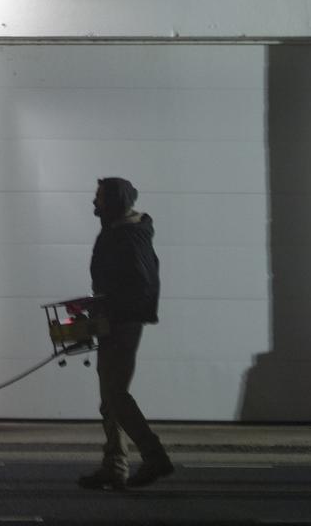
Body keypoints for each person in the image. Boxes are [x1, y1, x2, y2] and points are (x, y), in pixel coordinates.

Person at [78, 177, 174, 492]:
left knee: (116, 395)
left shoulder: (129, 237)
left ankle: (153, 454)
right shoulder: (120, 232)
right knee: (110, 397)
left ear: (115, 202)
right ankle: (115, 465)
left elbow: (143, 285)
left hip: (121, 323)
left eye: (100, 198)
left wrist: (111, 312)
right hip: (115, 320)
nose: (95, 203)